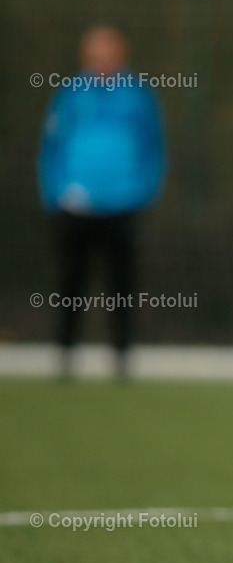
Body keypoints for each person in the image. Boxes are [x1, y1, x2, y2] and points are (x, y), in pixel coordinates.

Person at [38, 25, 166, 379]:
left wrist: (142, 192)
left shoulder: (138, 96)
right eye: (95, 52)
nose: (102, 59)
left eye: (108, 51)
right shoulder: (71, 94)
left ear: (121, 55)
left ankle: (121, 358)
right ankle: (64, 355)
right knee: (70, 284)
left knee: (121, 287)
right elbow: (51, 146)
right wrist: (55, 193)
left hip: (123, 205)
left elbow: (154, 146)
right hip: (74, 206)